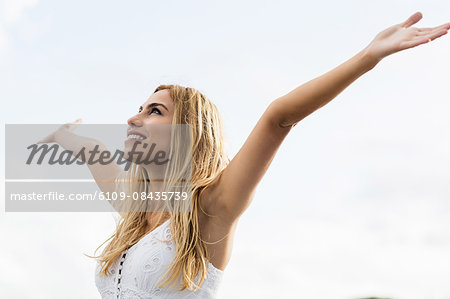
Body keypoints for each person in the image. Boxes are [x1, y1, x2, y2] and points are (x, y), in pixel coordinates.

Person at [38, 11, 449, 299]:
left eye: (154, 110)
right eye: (139, 108)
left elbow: (278, 117)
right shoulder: (137, 209)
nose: (134, 118)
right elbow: (96, 157)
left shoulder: (211, 208)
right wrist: (67, 139)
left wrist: (367, 58)